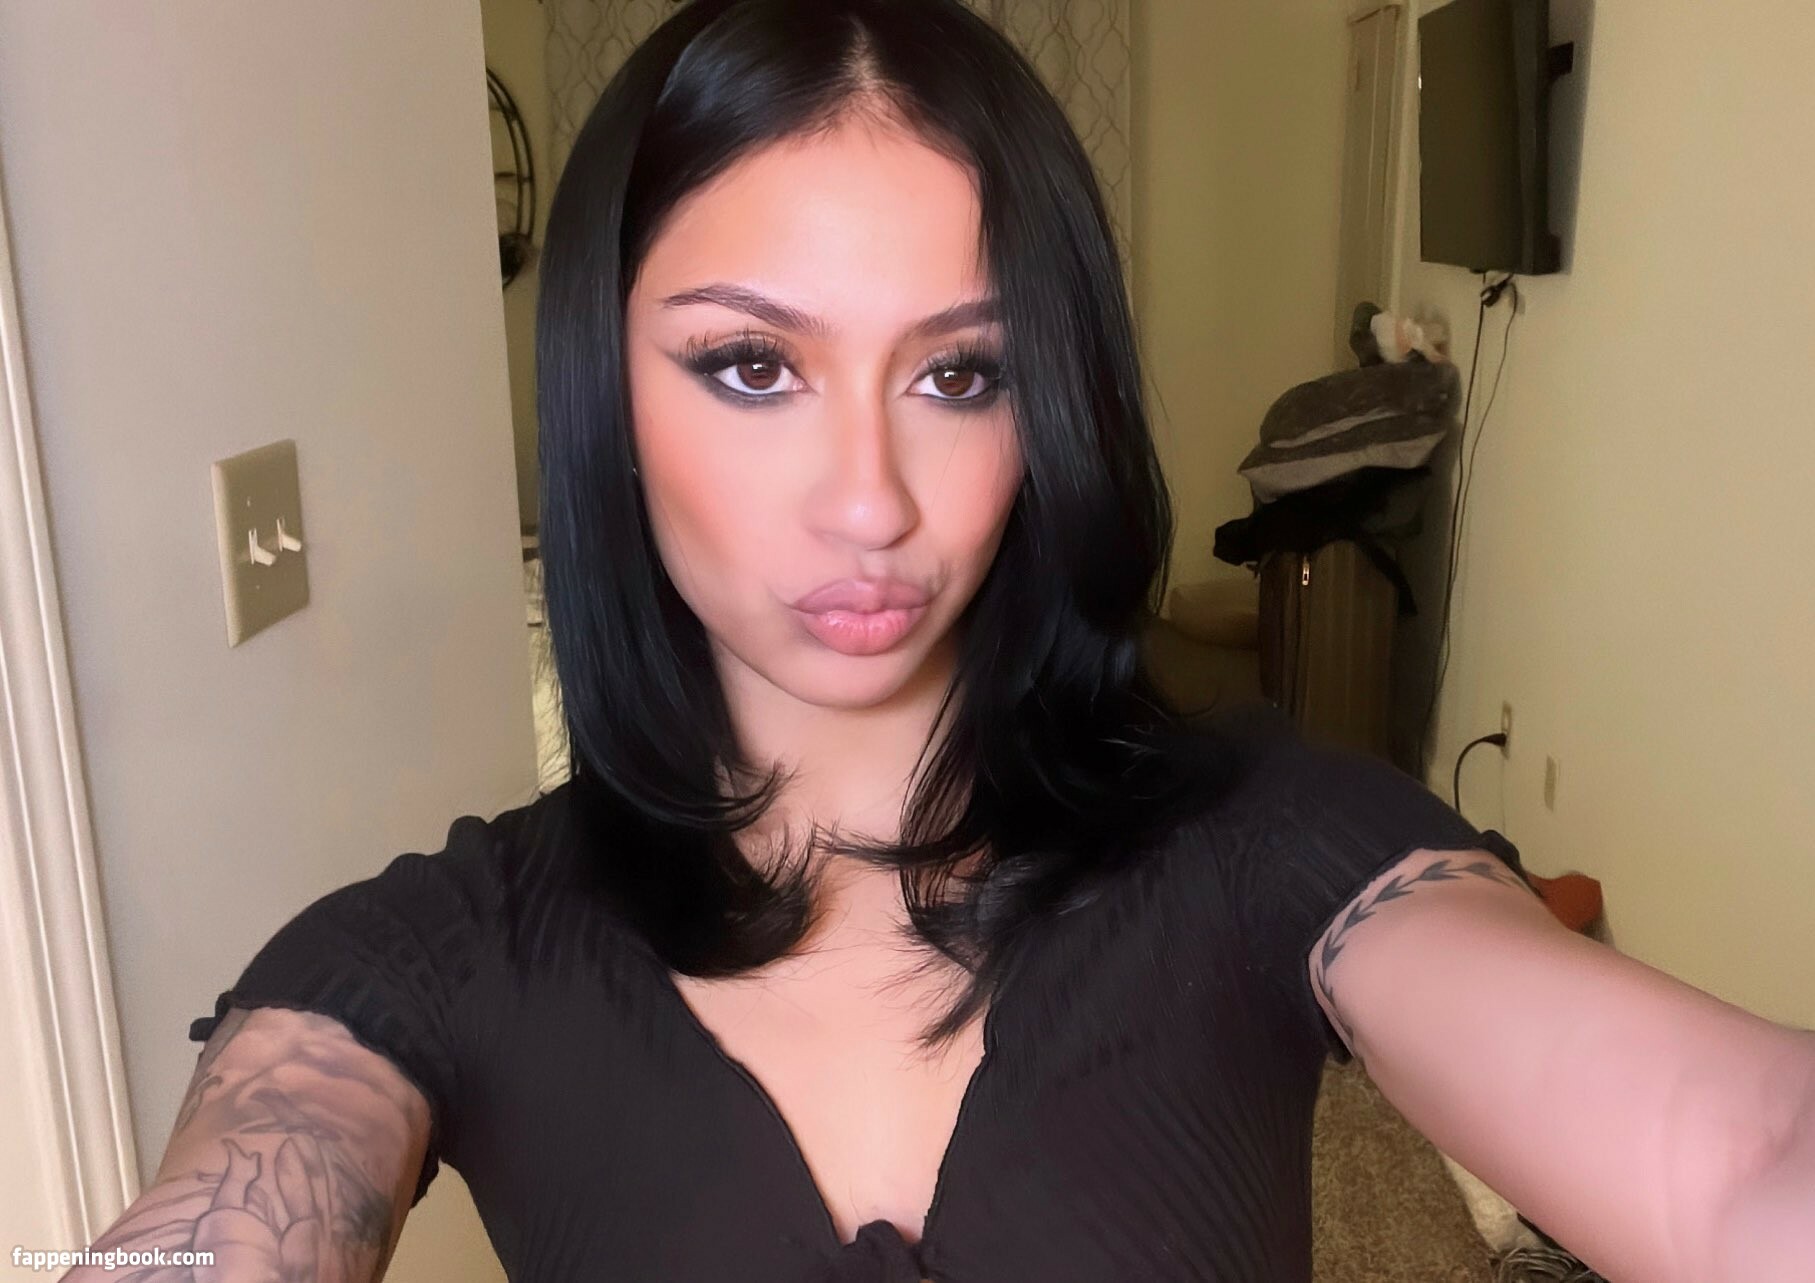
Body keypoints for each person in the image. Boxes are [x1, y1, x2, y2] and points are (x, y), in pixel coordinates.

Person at [68, 2, 1812, 1281]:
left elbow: (1746, 1161)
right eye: (754, 366)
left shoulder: (1270, 838)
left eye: (962, 373)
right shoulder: (437, 955)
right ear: (608, 392)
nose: (870, 502)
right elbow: (226, 1209)